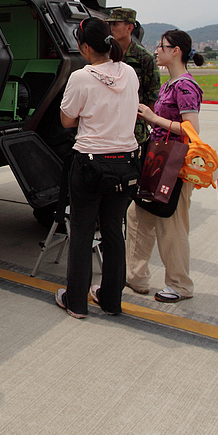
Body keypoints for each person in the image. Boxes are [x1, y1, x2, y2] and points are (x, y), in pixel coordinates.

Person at [53, 16, 140, 319]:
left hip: (90, 163)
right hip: (126, 163)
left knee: (81, 231)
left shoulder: (82, 76)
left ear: (85, 46)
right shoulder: (129, 72)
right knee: (114, 231)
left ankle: (76, 302)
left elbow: (66, 120)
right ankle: (111, 300)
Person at [127, 30, 205, 302]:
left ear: (177, 52)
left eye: (161, 46)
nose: (156, 50)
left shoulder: (184, 86)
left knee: (171, 224)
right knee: (138, 217)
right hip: (158, 159)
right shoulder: (171, 83)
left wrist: (152, 118)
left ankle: (180, 285)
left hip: (175, 163)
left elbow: (191, 129)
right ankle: (135, 277)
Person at [107, 7, 160, 146]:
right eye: (110, 25)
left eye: (115, 24)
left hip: (134, 129)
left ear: (129, 27)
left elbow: (152, 95)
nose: (111, 28)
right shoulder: (105, 55)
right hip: (108, 126)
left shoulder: (145, 59)